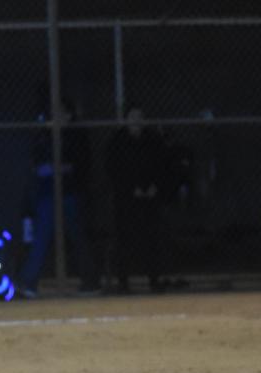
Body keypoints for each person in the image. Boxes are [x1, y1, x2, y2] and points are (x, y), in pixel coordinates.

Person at [16, 101, 100, 297]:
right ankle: (28, 283)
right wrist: (47, 167)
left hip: (70, 192)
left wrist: (59, 168)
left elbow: (80, 165)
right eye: (52, 114)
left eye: (60, 114)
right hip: (47, 193)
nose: (55, 118)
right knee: (41, 236)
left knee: (77, 236)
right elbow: (36, 162)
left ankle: (91, 282)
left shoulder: (76, 135)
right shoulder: (44, 135)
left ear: (68, 116)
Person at [105, 106, 172, 293]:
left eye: (140, 117)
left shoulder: (153, 140)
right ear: (126, 120)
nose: (136, 121)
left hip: (150, 197)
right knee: (124, 240)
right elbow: (113, 170)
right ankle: (123, 282)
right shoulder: (117, 141)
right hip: (126, 198)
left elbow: (163, 166)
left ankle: (154, 280)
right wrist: (130, 189)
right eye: (132, 117)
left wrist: (154, 186)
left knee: (152, 239)